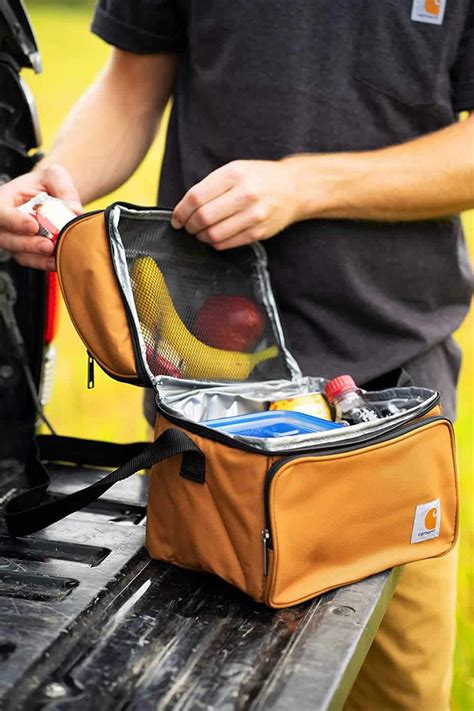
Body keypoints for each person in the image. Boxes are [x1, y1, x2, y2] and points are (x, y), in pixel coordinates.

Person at [1, 2, 473, 707]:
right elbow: (130, 87)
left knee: (394, 692)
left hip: (388, 411)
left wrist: (305, 184)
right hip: (205, 413)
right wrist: (58, 177)